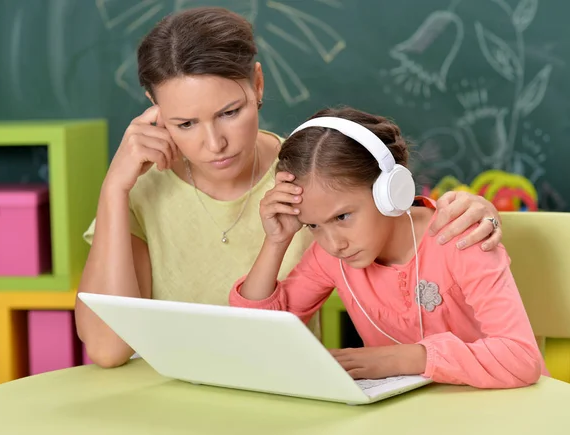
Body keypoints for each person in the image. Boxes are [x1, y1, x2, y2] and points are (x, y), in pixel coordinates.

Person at [75, 7, 503, 369]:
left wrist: (470, 210)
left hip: (279, 394)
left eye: (230, 112)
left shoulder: (311, 178)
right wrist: (114, 190)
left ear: (258, 85)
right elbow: (107, 349)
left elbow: (401, 233)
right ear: (154, 109)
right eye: (184, 124)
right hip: (164, 397)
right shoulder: (143, 191)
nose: (213, 143)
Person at [229, 106, 547, 389]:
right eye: (313, 225)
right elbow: (257, 336)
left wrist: (401, 359)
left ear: (391, 192)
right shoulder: (329, 256)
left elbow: (520, 358)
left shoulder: (460, 237)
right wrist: (276, 241)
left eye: (343, 216)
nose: (333, 243)